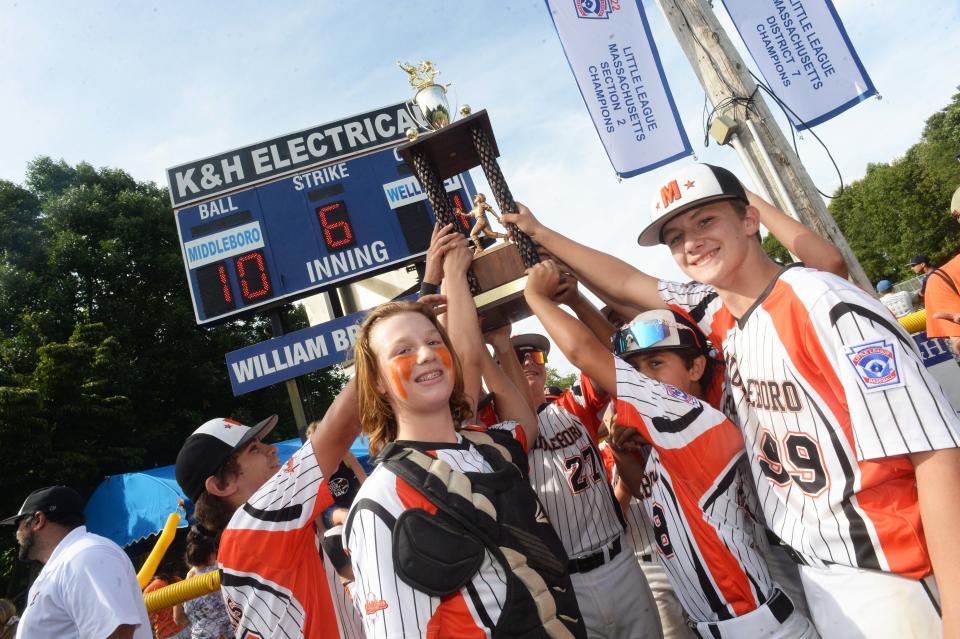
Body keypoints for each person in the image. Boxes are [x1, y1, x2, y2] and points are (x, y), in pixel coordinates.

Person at [503, 163, 960, 637]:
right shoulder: (719, 314)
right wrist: (539, 232)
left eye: (706, 221)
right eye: (676, 236)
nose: (691, 242)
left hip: (889, 570)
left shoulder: (825, 304)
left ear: (748, 220)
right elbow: (626, 282)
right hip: (811, 567)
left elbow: (936, 451)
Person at [526, 269, 816, 637]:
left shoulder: (694, 422)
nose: (643, 378)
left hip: (757, 626)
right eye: (637, 368)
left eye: (656, 364)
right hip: (728, 622)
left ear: (696, 366)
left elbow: (587, 353)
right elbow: (645, 491)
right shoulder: (673, 436)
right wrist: (623, 452)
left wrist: (535, 297)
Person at [343, 235, 586, 637]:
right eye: (402, 351)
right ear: (378, 382)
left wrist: (454, 275)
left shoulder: (487, 447)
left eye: (434, 342)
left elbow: (473, 362)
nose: (425, 355)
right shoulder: (380, 498)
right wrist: (446, 278)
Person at [492, 319, 661, 639]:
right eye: (517, 356)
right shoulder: (491, 431)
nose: (528, 361)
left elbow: (606, 356)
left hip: (619, 563)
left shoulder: (572, 405)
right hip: (561, 582)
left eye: (536, 356)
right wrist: (495, 341)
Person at [174, 384, 361, 638]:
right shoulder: (255, 524)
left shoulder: (240, 540)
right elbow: (343, 423)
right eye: (253, 449)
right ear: (221, 485)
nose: (271, 449)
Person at [1, 485, 151, 638]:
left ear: (38, 520)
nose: (17, 533)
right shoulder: (71, 559)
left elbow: (116, 632)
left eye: (18, 524)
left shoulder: (85, 555)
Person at [172, 526, 231, 639]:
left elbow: (178, 619)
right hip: (230, 633)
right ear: (210, 556)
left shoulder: (183, 585)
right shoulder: (223, 571)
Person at [144, 564, 191, 639]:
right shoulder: (176, 579)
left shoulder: (150, 590)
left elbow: (148, 620)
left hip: (167, 634)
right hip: (186, 628)